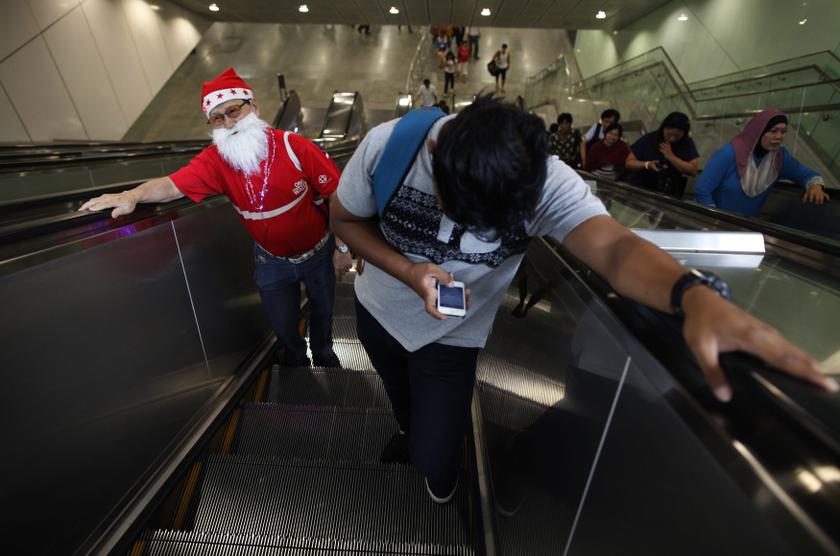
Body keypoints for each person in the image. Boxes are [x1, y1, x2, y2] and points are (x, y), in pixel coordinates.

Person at [329, 95, 836, 505]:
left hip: (453, 335)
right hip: (378, 310)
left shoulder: (543, 181)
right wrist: (410, 270)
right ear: (438, 159)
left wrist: (692, 294)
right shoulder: (391, 146)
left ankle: (438, 485)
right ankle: (403, 427)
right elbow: (344, 219)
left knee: (435, 457)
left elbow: (615, 247)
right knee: (400, 400)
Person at [78, 68, 353, 368]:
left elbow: (336, 195)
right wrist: (133, 195)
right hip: (272, 261)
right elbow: (172, 186)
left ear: (254, 107)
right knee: (282, 320)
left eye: (234, 111)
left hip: (318, 253)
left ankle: (325, 355)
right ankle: (297, 362)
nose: (229, 122)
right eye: (218, 118)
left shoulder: (293, 146)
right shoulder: (215, 160)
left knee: (324, 310)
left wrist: (341, 248)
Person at [694, 109, 829, 217]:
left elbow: (807, 174)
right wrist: (717, 221)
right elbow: (702, 190)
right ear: (758, 131)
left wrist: (815, 186)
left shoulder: (780, 158)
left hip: (748, 230)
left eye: (783, 132)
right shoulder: (729, 153)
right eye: (773, 131)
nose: (779, 137)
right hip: (716, 226)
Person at [625, 111, 700, 198]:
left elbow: (693, 171)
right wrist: (647, 164)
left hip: (669, 193)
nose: (672, 138)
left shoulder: (687, 142)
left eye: (677, 136)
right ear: (664, 128)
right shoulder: (649, 139)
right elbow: (629, 162)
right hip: (642, 189)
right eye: (669, 134)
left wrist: (671, 157)